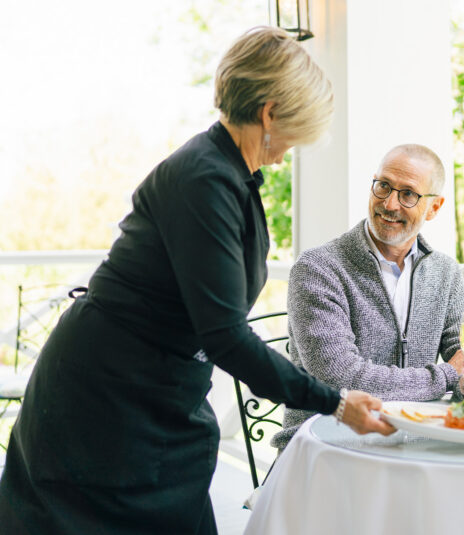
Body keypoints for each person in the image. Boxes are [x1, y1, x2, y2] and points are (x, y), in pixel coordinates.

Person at [0, 27, 393, 535]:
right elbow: (225, 334)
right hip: (108, 396)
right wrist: (335, 402)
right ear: (270, 112)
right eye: (299, 124)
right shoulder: (205, 178)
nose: (297, 143)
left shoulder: (231, 174)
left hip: (160, 392)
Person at [270, 144, 464, 448]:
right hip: (325, 445)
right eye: (384, 186)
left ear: (434, 207)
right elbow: (340, 377)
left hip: (414, 443)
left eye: (408, 194)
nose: (390, 204)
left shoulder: (445, 271)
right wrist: (445, 377)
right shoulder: (318, 268)